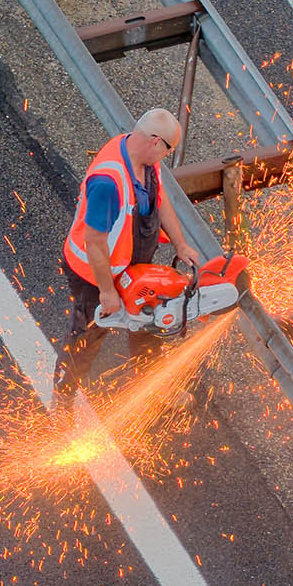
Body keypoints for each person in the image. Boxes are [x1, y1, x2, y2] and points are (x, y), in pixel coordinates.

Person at [53, 108, 202, 408]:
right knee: (87, 336)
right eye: (168, 150)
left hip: (132, 262)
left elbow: (160, 200)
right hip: (94, 274)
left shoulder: (145, 160)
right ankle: (63, 396)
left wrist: (181, 244)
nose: (166, 157)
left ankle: (153, 387)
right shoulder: (108, 181)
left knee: (150, 320)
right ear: (155, 141)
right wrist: (107, 292)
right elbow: (94, 243)